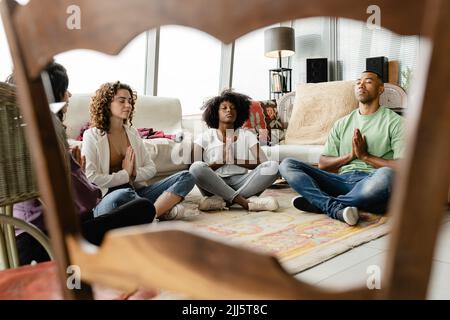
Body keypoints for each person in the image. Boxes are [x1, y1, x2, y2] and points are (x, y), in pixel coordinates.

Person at [11, 63, 156, 265]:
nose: (69, 95)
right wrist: (78, 171)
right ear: (52, 96)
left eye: (129, 101)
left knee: (132, 198)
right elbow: (90, 201)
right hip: (48, 243)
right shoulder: (51, 136)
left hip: (16, 238)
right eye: (64, 90)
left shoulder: (14, 138)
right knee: (143, 207)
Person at [279, 71, 404, 226]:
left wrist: (366, 157)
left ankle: (324, 203)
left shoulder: (396, 122)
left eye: (368, 81)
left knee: (387, 175)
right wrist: (350, 156)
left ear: (380, 89)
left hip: (371, 181)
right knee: (287, 164)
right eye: (358, 81)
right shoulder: (342, 123)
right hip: (341, 180)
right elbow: (324, 164)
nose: (361, 84)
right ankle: (340, 205)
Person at [82, 81, 196, 220]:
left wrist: (134, 174)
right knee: (123, 195)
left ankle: (151, 215)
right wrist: (125, 174)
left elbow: (151, 168)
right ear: (106, 104)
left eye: (130, 101)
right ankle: (158, 209)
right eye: (122, 101)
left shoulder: (132, 133)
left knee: (186, 176)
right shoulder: (92, 135)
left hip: (136, 192)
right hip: (108, 199)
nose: (128, 105)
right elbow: (91, 178)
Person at [189, 89, 279, 212]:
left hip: (241, 181)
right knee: (196, 168)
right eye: (224, 108)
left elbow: (262, 162)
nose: (229, 110)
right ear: (216, 112)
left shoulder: (247, 135)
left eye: (233, 108)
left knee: (273, 167)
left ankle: (220, 202)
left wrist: (235, 160)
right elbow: (194, 167)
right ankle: (245, 202)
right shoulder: (205, 136)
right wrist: (222, 161)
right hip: (214, 183)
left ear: (239, 113)